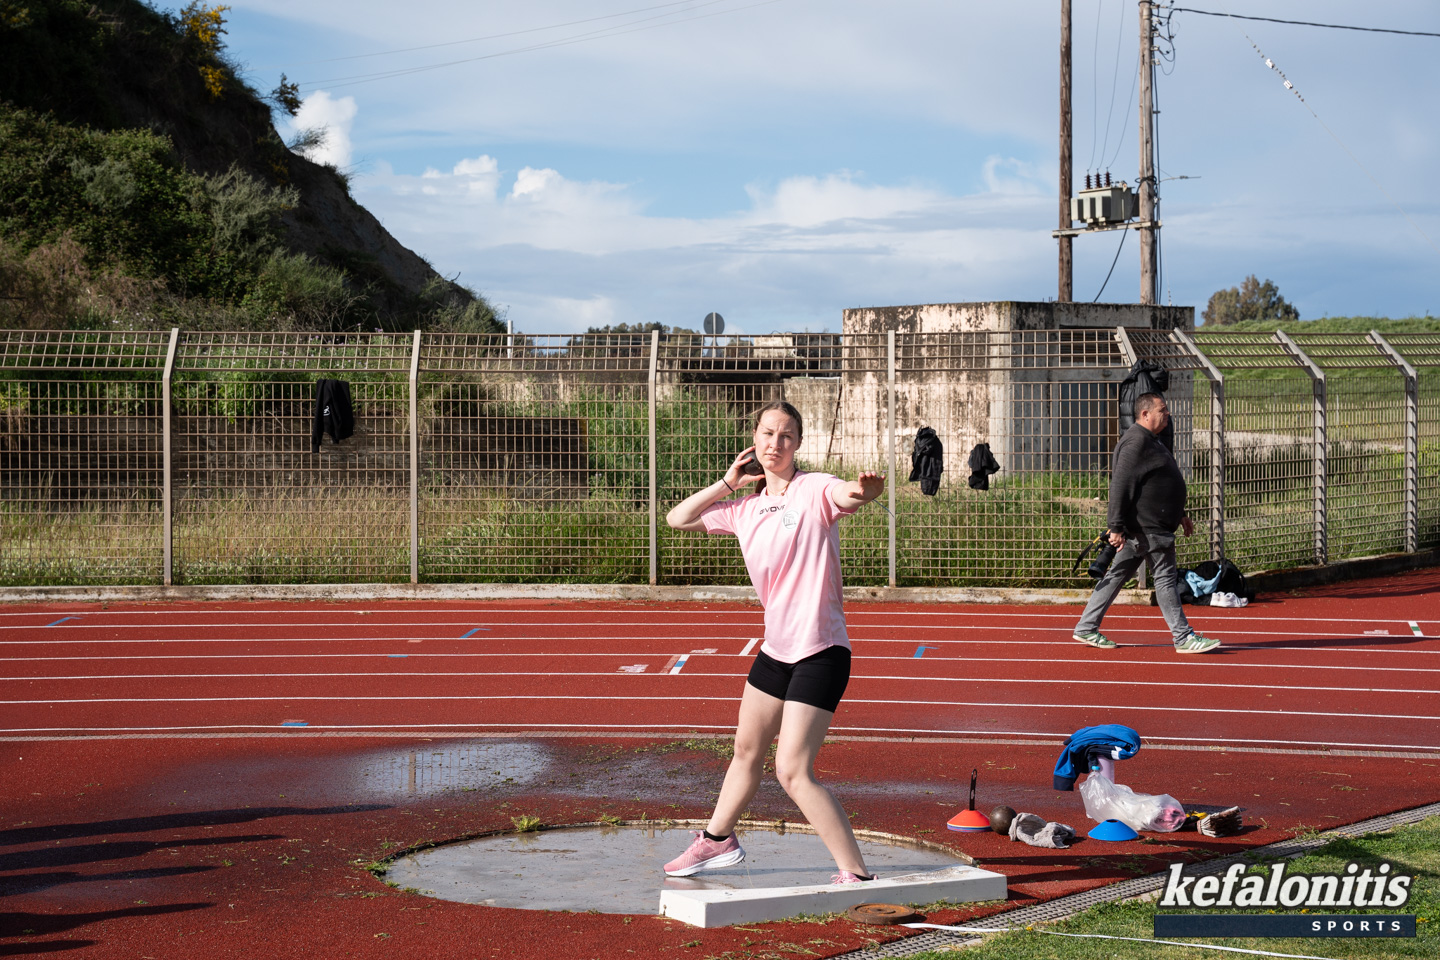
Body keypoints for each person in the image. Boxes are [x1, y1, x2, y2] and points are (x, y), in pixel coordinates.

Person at [661, 400, 886, 884]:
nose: (775, 443)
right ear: (754, 439)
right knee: (746, 751)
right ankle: (717, 841)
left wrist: (863, 492)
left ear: (798, 443)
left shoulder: (814, 488)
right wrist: (728, 483)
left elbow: (845, 495)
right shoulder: (743, 509)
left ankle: (855, 873)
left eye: (786, 436)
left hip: (820, 651)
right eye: (767, 433)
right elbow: (677, 518)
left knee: (792, 770)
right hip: (776, 651)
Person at [1073, 392, 1220, 655]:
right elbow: (1120, 485)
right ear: (1145, 414)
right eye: (1162, 410)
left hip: (1148, 527)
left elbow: (1160, 482)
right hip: (1148, 528)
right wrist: (1115, 526)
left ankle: (1086, 627)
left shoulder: (1152, 440)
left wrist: (1180, 513)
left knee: (1117, 575)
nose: (1167, 414)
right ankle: (1183, 637)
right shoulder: (1136, 442)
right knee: (1165, 579)